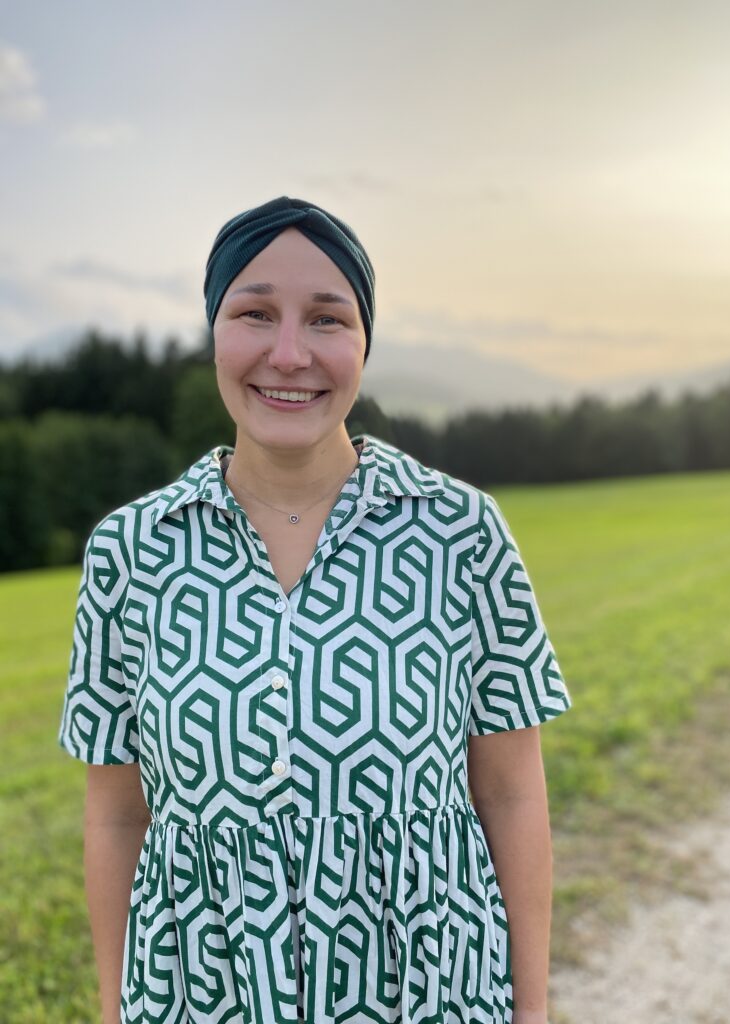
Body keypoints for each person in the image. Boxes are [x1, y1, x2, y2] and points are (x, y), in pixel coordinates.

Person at [58, 195, 573, 1024]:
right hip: (201, 993)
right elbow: (117, 813)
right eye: (255, 312)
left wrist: (532, 1011)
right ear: (213, 331)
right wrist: (119, 1009)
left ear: (364, 342)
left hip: (430, 992)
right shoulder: (130, 551)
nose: (289, 354)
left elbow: (512, 794)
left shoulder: (462, 532)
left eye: (327, 319)